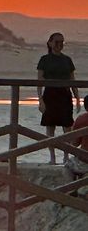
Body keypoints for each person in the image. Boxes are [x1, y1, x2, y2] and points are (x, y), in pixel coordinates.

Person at [37, 32, 80, 164]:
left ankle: (66, 156)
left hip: (64, 95)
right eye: (57, 42)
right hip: (50, 95)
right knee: (50, 127)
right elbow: (39, 81)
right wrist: (40, 100)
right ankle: (52, 157)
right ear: (50, 43)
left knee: (67, 127)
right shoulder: (44, 59)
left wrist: (77, 98)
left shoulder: (67, 60)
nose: (59, 45)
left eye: (62, 42)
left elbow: (72, 80)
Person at [65, 95, 88, 178]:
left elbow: (74, 143)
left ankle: (71, 187)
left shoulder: (81, 119)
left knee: (68, 165)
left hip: (85, 159)